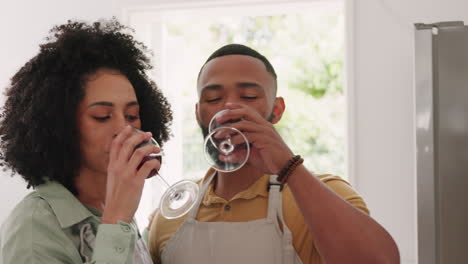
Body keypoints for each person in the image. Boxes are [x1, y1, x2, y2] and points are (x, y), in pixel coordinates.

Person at [148, 44, 400, 264]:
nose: (229, 107)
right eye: (213, 98)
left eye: (248, 96)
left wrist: (289, 166)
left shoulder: (327, 193)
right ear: (198, 113)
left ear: (277, 110)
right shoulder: (171, 215)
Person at [0, 18, 172, 264]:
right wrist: (118, 219)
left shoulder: (107, 207)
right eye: (102, 116)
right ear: (60, 126)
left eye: (132, 116)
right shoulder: (34, 227)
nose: (124, 129)